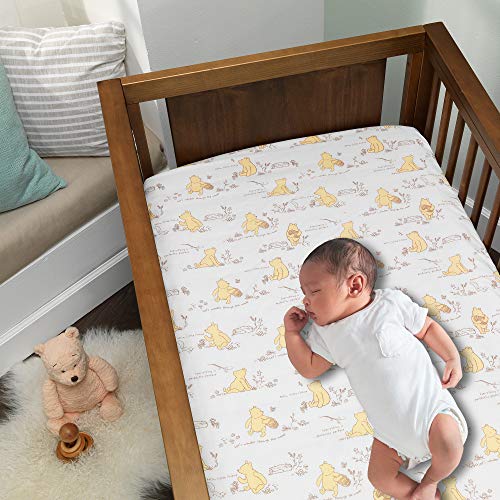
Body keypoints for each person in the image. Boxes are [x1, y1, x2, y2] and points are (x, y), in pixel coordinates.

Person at [284, 238, 468, 500]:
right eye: (304, 293)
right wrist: (292, 334)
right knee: (379, 477)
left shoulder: (389, 304)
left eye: (313, 291)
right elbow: (309, 367)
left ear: (355, 285)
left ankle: (430, 482)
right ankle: (417, 495)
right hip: (390, 435)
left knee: (450, 444)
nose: (305, 301)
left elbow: (427, 328)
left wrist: (451, 357)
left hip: (430, 413)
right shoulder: (327, 334)